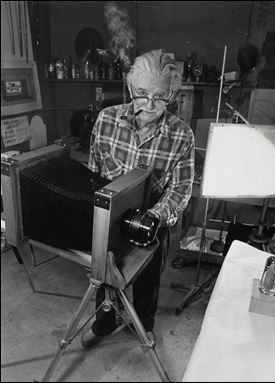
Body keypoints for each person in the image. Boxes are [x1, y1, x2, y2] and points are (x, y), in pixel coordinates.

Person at [81, 49, 195, 348]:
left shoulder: (181, 135)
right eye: (142, 93)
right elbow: (92, 174)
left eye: (160, 97)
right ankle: (104, 323)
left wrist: (155, 216)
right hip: (109, 217)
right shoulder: (106, 120)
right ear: (131, 87)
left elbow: (181, 188)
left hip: (151, 220)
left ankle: (143, 324)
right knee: (104, 277)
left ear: (172, 94)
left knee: (147, 279)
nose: (148, 104)